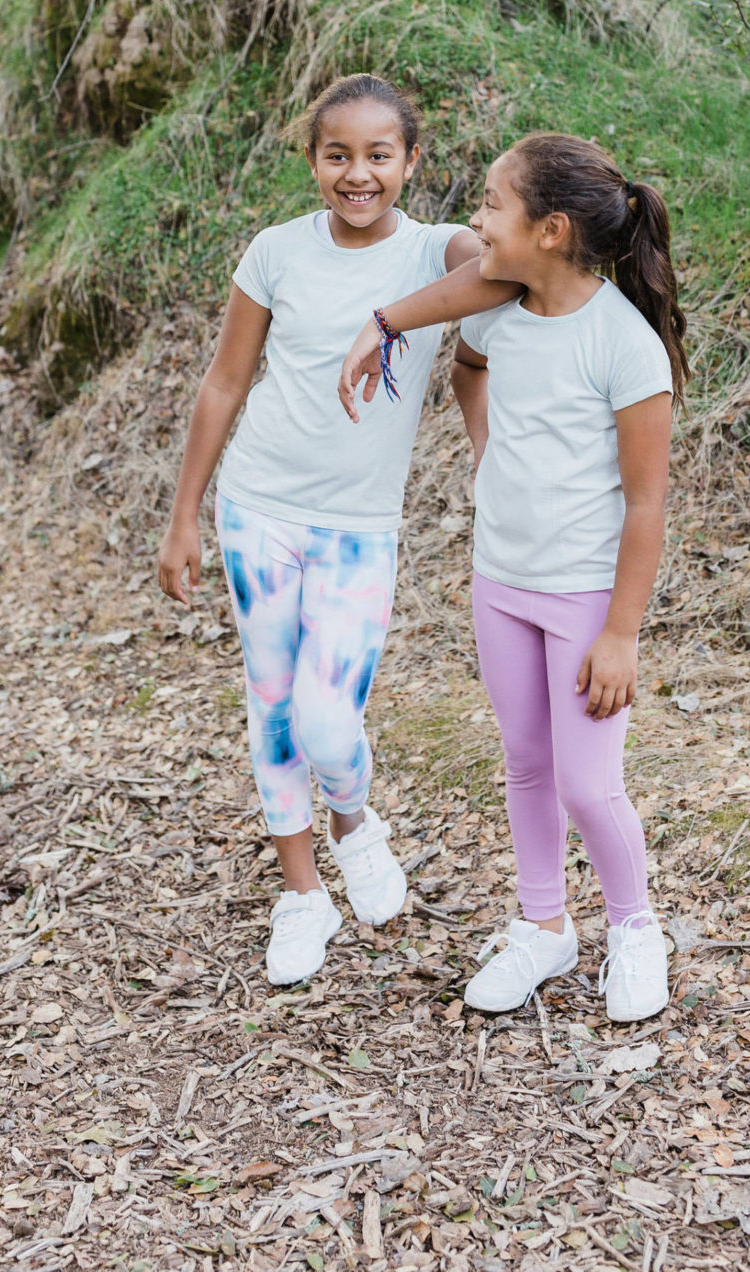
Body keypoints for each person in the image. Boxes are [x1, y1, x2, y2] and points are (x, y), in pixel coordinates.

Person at [157, 73, 505, 986]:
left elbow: (502, 270)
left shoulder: (439, 251)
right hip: (258, 507)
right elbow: (225, 384)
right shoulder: (275, 250)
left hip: (358, 527)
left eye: (378, 156)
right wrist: (184, 513)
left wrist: (402, 308)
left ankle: (355, 818)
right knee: (271, 705)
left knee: (326, 716)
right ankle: (303, 895)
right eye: (338, 155)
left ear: (411, 162)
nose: (358, 175)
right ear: (313, 161)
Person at [339, 133, 687, 1021]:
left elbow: (647, 507)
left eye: (493, 204)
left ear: (553, 230)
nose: (477, 219)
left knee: (587, 782)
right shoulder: (500, 312)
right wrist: (483, 438)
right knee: (526, 763)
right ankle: (543, 925)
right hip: (499, 580)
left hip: (583, 598)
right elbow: (471, 360)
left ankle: (635, 929)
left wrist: (621, 633)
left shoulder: (624, 344)